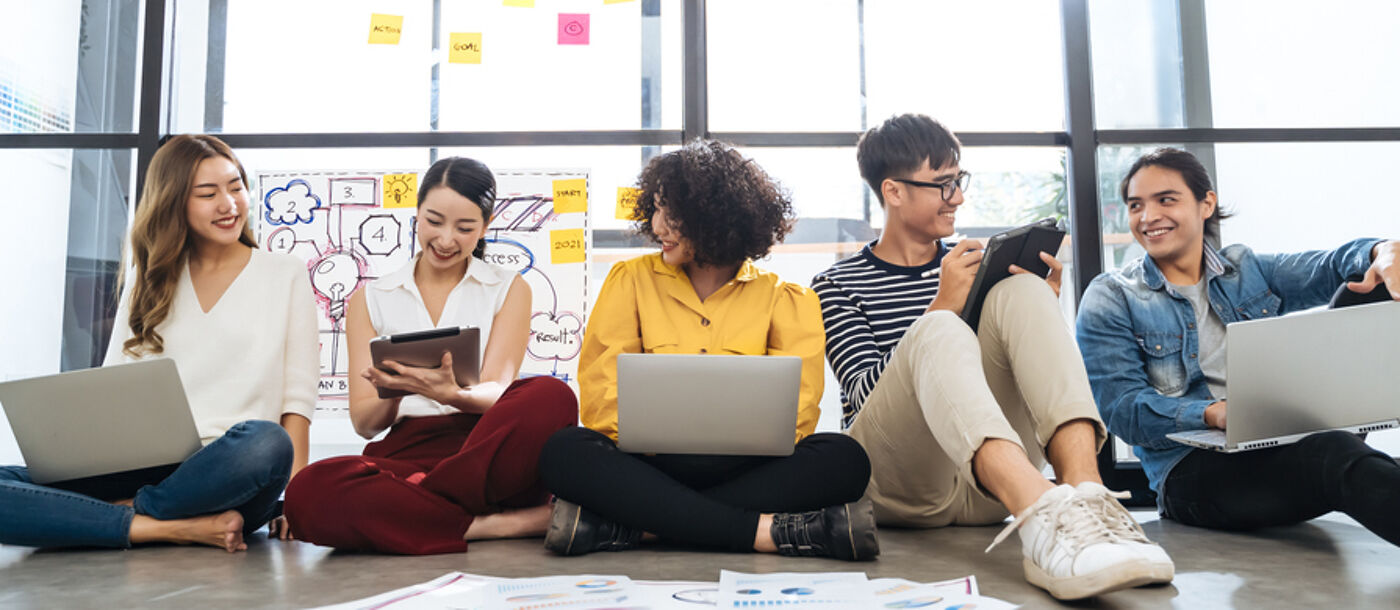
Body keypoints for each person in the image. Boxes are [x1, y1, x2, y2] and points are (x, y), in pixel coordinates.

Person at [811, 114, 1174, 600]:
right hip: (899, 487)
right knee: (939, 327)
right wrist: (940, 306)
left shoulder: (976, 265)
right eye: (943, 185)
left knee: (1024, 288)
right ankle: (1041, 513)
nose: (958, 197)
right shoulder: (836, 284)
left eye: (958, 181)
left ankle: (1088, 503)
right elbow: (860, 396)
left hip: (985, 488)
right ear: (893, 192)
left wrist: (1040, 303)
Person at [537, 140, 877, 561]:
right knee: (566, 451)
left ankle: (638, 525)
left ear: (714, 216)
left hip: (746, 469)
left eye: (671, 212)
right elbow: (602, 400)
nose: (657, 225)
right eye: (655, 208)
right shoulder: (630, 280)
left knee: (844, 459)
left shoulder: (788, 299)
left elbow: (799, 417)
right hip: (647, 464)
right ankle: (763, 532)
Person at [0, 134, 316, 552]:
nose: (230, 204)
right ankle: (163, 526)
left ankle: (117, 513)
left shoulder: (285, 274)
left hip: (229, 475)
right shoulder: (147, 280)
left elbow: (296, 405)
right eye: (208, 194)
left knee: (267, 442)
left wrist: (294, 502)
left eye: (236, 186)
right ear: (174, 203)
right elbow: (112, 387)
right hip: (141, 468)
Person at [1076, 147, 1400, 545]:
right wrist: (1213, 413)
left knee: (1373, 285)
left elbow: (1331, 265)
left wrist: (1380, 251)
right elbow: (1123, 411)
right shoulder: (1113, 296)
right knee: (1332, 453)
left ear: (1205, 203)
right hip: (1195, 474)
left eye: (1166, 200)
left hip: (1286, 435)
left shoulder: (1245, 269)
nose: (1148, 217)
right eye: (1135, 205)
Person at [283, 157, 577, 555]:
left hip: (485, 447)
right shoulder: (370, 299)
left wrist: (450, 394)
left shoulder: (508, 287)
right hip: (408, 454)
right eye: (434, 221)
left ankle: (421, 505)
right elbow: (364, 425)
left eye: (465, 228)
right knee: (307, 492)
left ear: (486, 228)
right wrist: (399, 391)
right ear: (416, 216)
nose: (445, 239)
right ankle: (496, 524)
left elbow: (497, 392)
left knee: (551, 395)